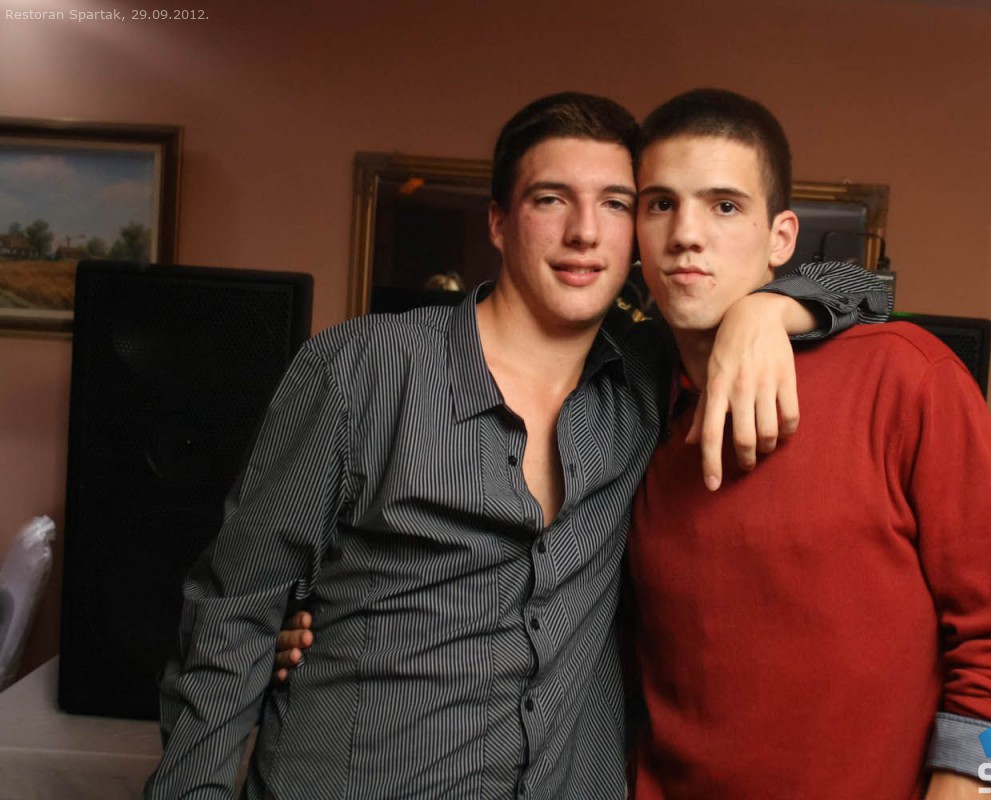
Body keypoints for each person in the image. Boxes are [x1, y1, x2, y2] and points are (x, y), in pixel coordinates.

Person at [145, 92, 887, 799]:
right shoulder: (360, 371)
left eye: (617, 204)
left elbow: (871, 288)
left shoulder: (651, 380)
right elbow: (232, 613)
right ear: (499, 222)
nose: (584, 233)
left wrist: (768, 310)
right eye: (551, 199)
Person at [623, 89, 991, 799]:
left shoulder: (905, 376)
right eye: (660, 204)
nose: (686, 234)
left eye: (725, 206)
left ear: (781, 238)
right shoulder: (624, 406)